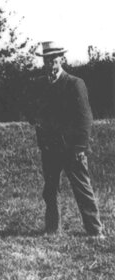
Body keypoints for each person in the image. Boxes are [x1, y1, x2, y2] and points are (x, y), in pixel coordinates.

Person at [32, 41, 105, 237]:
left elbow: (85, 118)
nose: (50, 64)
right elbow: (33, 110)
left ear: (61, 59)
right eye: (47, 60)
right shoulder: (39, 84)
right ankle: (52, 228)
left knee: (82, 189)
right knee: (50, 190)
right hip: (49, 147)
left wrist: (79, 147)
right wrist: (38, 122)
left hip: (72, 148)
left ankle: (95, 230)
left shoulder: (75, 83)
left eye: (53, 59)